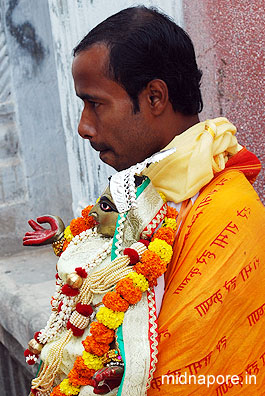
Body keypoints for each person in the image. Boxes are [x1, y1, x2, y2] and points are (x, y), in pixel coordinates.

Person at [25, 6, 265, 396]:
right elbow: (110, 269)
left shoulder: (225, 210)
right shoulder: (140, 184)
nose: (84, 127)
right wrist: (66, 241)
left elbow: (188, 376)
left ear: (155, 97)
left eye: (96, 104)